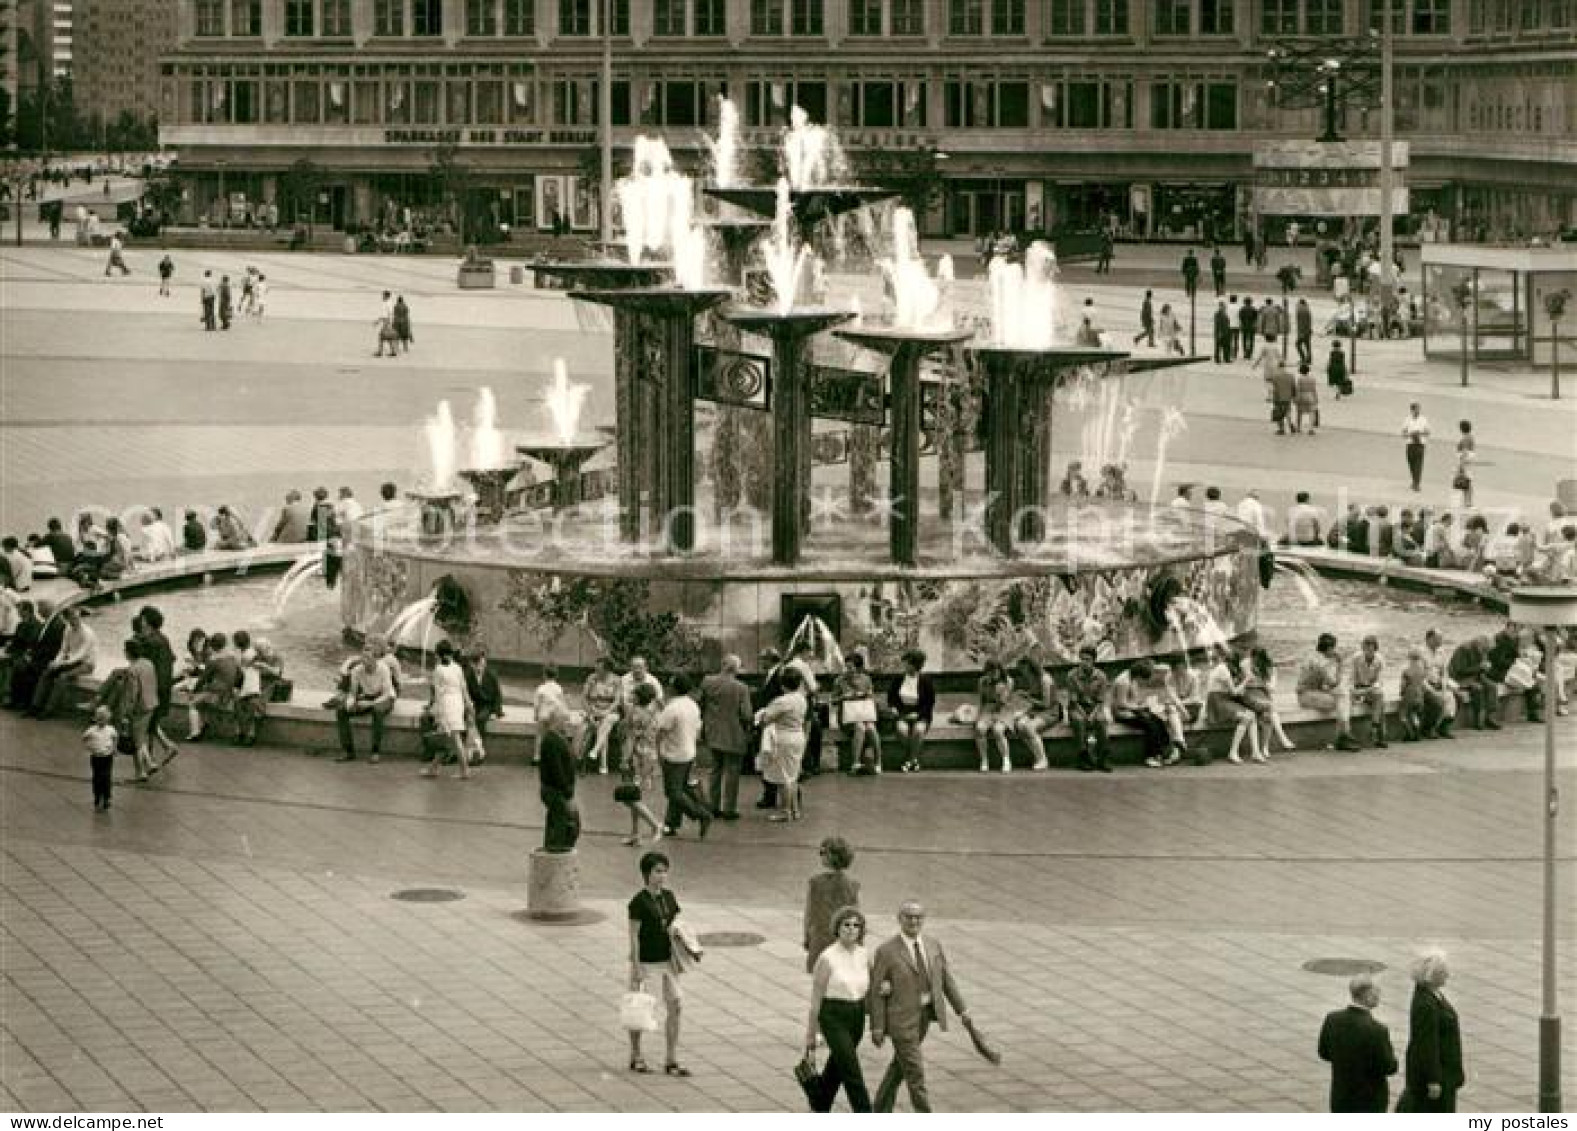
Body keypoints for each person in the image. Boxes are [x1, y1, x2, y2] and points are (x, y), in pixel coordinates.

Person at [868, 900, 972, 1113]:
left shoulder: (933, 945)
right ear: (900, 919)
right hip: (900, 1020)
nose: (914, 921)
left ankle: (879, 1111)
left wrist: (962, 1009)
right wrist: (877, 1027)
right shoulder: (886, 951)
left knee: (900, 1066)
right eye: (908, 916)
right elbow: (876, 993)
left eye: (918, 917)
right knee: (915, 1072)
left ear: (923, 919)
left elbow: (946, 980)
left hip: (924, 1016)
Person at [626, 851, 689, 1077]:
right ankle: (636, 1055)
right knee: (640, 1008)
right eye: (657, 871)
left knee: (676, 1005)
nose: (662, 876)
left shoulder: (669, 897)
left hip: (668, 961)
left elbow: (677, 924)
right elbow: (633, 935)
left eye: (664, 871)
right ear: (647, 874)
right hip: (647, 961)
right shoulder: (638, 902)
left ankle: (671, 1058)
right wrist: (636, 966)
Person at [805, 905, 872, 1112]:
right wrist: (811, 1033)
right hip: (833, 1016)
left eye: (856, 925)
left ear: (861, 930)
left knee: (837, 1067)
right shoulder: (827, 958)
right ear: (837, 928)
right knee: (852, 1071)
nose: (851, 929)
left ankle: (820, 1105)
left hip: (857, 1015)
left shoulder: (864, 954)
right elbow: (815, 1000)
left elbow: (872, 987)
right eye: (846, 925)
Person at [1317, 973, 1399, 1112]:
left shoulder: (1332, 1019)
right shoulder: (1377, 1030)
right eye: (1377, 992)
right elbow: (1389, 1066)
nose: (1379, 996)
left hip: (1341, 1096)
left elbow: (1324, 1052)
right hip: (1370, 1100)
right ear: (1367, 995)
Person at [1398, 949, 1465, 1112]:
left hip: (1445, 1072)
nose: (1447, 975)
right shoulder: (1426, 1004)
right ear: (1431, 975)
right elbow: (1426, 1043)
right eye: (1443, 972)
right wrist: (1433, 1079)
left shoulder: (1432, 995)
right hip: (1439, 1075)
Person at [655, 672, 711, 838]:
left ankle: (701, 814)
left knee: (673, 792)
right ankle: (671, 823)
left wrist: (658, 753)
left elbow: (661, 732)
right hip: (689, 750)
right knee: (681, 787)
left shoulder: (672, 708)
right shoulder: (692, 705)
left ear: (673, 688)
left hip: (674, 753)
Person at [699, 653, 753, 816]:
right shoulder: (741, 688)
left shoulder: (707, 682)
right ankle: (729, 808)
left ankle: (713, 806)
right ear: (735, 668)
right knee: (732, 771)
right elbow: (746, 714)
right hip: (734, 733)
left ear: (722, 665)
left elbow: (700, 704)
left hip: (713, 731)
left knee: (715, 769)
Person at [759, 666, 810, 822]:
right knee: (793, 774)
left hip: (784, 737)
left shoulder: (782, 701)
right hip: (798, 735)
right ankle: (795, 809)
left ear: (782, 684)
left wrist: (762, 717)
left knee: (784, 776)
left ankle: (785, 810)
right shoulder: (801, 698)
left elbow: (766, 719)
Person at [617, 681, 665, 847]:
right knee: (635, 794)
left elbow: (630, 738)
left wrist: (624, 758)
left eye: (634, 694)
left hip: (637, 757)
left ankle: (655, 825)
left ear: (638, 697)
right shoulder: (652, 713)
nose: (631, 696)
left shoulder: (634, 713)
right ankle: (635, 833)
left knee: (629, 796)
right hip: (649, 756)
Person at [803, 837, 861, 972]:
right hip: (843, 938)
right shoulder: (853, 884)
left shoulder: (815, 883)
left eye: (822, 852)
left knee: (820, 977)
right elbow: (856, 914)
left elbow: (809, 914)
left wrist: (807, 936)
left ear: (830, 857)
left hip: (820, 937)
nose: (820, 855)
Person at [30, 605, 97, 720]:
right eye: (72, 618)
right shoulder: (67, 630)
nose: (76, 621)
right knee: (47, 673)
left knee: (63, 677)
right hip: (70, 660)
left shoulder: (87, 633)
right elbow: (63, 649)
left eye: (77, 618)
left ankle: (48, 710)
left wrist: (60, 664)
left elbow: (80, 655)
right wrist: (56, 661)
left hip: (86, 663)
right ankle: (35, 706)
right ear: (67, 619)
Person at [1297, 633, 1362, 751]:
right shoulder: (1320, 662)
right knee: (1343, 700)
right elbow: (1333, 683)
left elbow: (1327, 685)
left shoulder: (1314, 656)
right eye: (1334, 648)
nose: (1334, 651)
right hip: (1306, 695)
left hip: (1313, 693)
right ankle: (1344, 737)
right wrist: (1340, 663)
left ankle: (1343, 737)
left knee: (1343, 697)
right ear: (1329, 648)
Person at [335, 644, 396, 763]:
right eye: (363, 658)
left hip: (385, 697)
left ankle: (375, 751)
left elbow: (387, 693)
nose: (365, 662)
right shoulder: (357, 670)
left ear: (375, 659)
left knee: (378, 712)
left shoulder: (384, 669)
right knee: (341, 711)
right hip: (367, 697)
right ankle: (348, 751)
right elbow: (352, 693)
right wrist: (350, 703)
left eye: (368, 658)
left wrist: (370, 704)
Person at [420, 641, 473, 778]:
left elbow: (438, 694)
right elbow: (464, 688)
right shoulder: (457, 667)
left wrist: (439, 714)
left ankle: (465, 770)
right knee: (446, 738)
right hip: (458, 703)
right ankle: (433, 768)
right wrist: (468, 704)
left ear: (439, 654)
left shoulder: (438, 670)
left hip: (447, 704)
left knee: (453, 739)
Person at [1111, 659, 1173, 768]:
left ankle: (1164, 751)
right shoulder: (1123, 681)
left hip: (1133, 710)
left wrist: (1144, 704)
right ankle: (1150, 756)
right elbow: (1121, 703)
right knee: (1149, 724)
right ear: (1139, 674)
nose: (1141, 682)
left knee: (1158, 720)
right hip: (1122, 713)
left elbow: (1134, 700)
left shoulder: (1132, 678)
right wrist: (1140, 707)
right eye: (1142, 678)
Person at [1206, 648, 1264, 764]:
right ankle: (1233, 752)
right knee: (1246, 717)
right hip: (1217, 702)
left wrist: (1241, 684)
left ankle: (1256, 752)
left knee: (1252, 715)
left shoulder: (1223, 668)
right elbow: (1233, 692)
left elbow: (1231, 691)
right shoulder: (1223, 669)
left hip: (1223, 699)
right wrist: (1246, 680)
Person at [537, 703, 579, 852]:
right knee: (563, 821)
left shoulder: (557, 738)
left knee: (557, 819)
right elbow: (557, 769)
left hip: (557, 789)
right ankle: (556, 849)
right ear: (557, 720)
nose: (568, 724)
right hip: (555, 790)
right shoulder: (551, 741)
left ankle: (553, 846)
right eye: (566, 720)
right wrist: (567, 790)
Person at [832, 650, 881, 775]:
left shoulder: (866, 679)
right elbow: (832, 701)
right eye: (847, 667)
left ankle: (878, 762)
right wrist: (843, 697)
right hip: (847, 717)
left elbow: (872, 697)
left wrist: (867, 695)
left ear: (858, 668)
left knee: (870, 727)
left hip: (865, 715)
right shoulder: (839, 681)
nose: (848, 670)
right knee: (860, 727)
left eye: (851, 667)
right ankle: (855, 763)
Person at [1063, 645, 1111, 772]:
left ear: (1094, 660)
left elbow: (1101, 701)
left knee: (1101, 721)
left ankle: (1103, 757)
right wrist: (1085, 715)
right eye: (1082, 659)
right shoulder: (1072, 675)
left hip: (1095, 707)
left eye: (1087, 659)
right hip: (1077, 707)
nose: (1084, 662)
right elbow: (1073, 701)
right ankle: (1082, 757)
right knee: (1079, 721)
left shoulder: (1101, 676)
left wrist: (1093, 715)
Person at [887, 649, 935, 774]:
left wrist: (918, 715)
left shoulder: (926, 681)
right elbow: (891, 698)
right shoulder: (898, 679)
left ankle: (908, 760)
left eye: (907, 663)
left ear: (915, 665)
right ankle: (914, 759)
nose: (905, 665)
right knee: (902, 731)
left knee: (918, 731)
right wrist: (893, 708)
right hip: (902, 712)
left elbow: (929, 703)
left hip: (920, 713)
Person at [1241, 646, 1296, 754]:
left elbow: (1272, 688)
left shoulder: (1269, 667)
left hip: (1263, 695)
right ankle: (1282, 738)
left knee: (1267, 714)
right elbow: (1248, 682)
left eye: (1256, 660)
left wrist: (1262, 682)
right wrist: (1261, 681)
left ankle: (1265, 748)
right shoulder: (1245, 663)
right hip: (1249, 694)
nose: (1253, 662)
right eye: (1252, 659)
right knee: (1270, 708)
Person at [579, 656, 622, 774]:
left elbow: (617, 701)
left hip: (610, 712)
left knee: (607, 721)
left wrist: (606, 712)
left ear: (607, 669)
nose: (596, 670)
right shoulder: (591, 678)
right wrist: (590, 714)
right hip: (593, 711)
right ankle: (603, 765)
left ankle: (595, 751)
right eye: (596, 668)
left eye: (599, 668)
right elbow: (583, 698)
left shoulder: (617, 680)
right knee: (603, 731)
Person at [1447, 635, 1500, 730]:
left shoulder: (1481, 650)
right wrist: (1480, 667)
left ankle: (1489, 717)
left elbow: (1480, 669)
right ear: (1479, 645)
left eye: (1487, 651)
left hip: (1474, 677)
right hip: (1460, 679)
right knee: (1478, 688)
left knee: (1493, 687)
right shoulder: (1463, 649)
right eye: (1485, 650)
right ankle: (1478, 719)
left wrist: (1486, 668)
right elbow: (1460, 670)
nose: (1485, 653)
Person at [972, 660, 1016, 773]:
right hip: (988, 708)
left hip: (1004, 709)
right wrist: (978, 715)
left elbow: (1003, 701)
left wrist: (998, 690)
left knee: (998, 730)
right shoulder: (982, 681)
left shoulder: (1008, 681)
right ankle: (984, 760)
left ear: (1000, 670)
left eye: (994, 671)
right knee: (980, 729)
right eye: (989, 672)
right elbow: (981, 700)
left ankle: (1006, 759)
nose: (992, 675)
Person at [1350, 635, 1390, 747]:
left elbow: (1380, 681)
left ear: (1375, 649)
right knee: (1380, 702)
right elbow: (1351, 678)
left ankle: (1375, 728)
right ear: (1362, 648)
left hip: (1372, 689)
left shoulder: (1380, 660)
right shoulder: (1356, 658)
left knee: (1379, 696)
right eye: (1365, 649)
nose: (1368, 652)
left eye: (1370, 649)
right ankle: (1379, 734)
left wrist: (1371, 689)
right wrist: (1357, 691)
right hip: (1358, 688)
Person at [84, 705, 119, 812]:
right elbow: (85, 737)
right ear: (95, 719)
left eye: (103, 719)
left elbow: (115, 737)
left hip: (107, 757)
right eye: (99, 719)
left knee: (106, 777)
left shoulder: (110, 729)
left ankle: (107, 797)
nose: (101, 722)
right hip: (96, 757)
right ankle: (97, 795)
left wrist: (114, 748)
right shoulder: (92, 730)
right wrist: (89, 746)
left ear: (108, 719)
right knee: (97, 777)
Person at [1401, 402, 1431, 492]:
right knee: (1411, 463)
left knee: (1418, 464)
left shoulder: (1423, 419)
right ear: (1412, 410)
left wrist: (1420, 433)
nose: (1418, 411)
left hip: (1420, 444)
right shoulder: (1407, 419)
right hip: (1410, 444)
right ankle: (1414, 481)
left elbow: (1428, 432)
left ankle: (1417, 484)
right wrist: (1410, 434)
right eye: (1416, 409)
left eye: (1419, 409)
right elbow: (1403, 433)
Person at [1268, 361, 1296, 436]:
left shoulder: (1276, 376)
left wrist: (1271, 397)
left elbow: (1273, 388)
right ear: (1285, 367)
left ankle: (1281, 429)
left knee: (1279, 413)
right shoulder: (1291, 376)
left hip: (1278, 397)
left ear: (1278, 367)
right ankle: (1290, 425)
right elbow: (1293, 387)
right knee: (1287, 412)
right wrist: (1293, 396)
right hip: (1287, 397)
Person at [1454, 419, 1476, 507]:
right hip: (1468, 460)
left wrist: (1461, 465)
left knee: (1466, 481)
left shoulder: (1465, 438)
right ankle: (1467, 502)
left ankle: (1468, 502)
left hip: (1465, 460)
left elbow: (1465, 451)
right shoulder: (1470, 437)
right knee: (1467, 482)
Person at [1293, 363, 1320, 436]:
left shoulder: (1300, 379)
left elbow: (1298, 389)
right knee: (1312, 412)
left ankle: (1298, 427)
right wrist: (1316, 398)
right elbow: (1314, 389)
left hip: (1302, 395)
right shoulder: (1312, 379)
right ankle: (1310, 428)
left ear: (1301, 371)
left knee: (1299, 412)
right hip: (1310, 395)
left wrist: (1296, 398)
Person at [1294, 297, 1313, 366]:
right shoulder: (1307, 309)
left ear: (1300, 303)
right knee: (1307, 346)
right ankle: (1309, 359)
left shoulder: (1300, 310)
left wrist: (1300, 333)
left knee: (1297, 344)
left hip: (1303, 331)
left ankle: (1303, 359)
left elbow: (1301, 323)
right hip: (1308, 330)